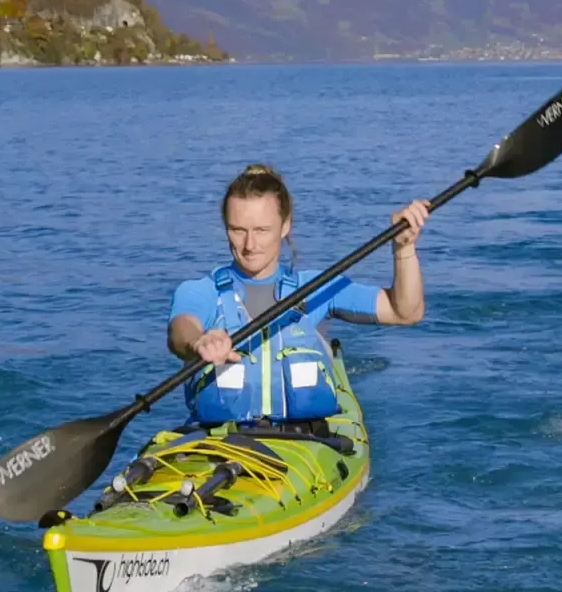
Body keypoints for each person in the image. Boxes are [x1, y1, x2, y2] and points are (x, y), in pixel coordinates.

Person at [167, 164, 429, 425]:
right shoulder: (201, 290)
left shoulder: (317, 287)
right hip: (220, 446)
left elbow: (404, 312)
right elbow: (181, 331)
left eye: (261, 230)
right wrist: (198, 343)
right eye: (238, 230)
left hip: (303, 443)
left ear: (285, 226)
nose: (249, 245)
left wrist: (403, 248)